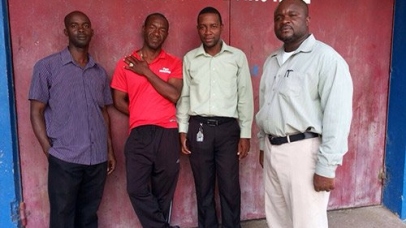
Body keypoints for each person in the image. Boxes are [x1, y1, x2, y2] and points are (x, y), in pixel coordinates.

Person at [256, 0, 353, 227]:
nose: (284, 20)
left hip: (303, 154)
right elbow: (265, 108)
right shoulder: (272, 61)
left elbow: (337, 118)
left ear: (307, 20)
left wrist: (326, 167)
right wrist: (263, 146)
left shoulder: (326, 59)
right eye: (278, 17)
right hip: (273, 150)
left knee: (307, 222)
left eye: (292, 15)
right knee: (277, 219)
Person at [29, 11, 116, 228]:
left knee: (88, 217)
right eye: (75, 26)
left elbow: (104, 113)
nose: (81, 30)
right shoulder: (47, 67)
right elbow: (36, 111)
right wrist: (49, 150)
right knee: (62, 218)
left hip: (96, 159)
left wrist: (109, 150)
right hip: (65, 158)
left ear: (92, 31)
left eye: (85, 25)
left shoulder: (99, 72)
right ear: (65, 31)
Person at [176, 6, 254, 228]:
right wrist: (183, 129)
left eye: (212, 26)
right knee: (203, 187)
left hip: (228, 130)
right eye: (203, 27)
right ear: (198, 29)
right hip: (199, 128)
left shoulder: (237, 57)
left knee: (230, 187)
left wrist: (245, 133)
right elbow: (185, 96)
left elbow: (245, 97)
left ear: (221, 27)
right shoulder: (190, 59)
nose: (208, 31)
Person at [110, 13, 182, 228]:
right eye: (153, 27)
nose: (156, 33)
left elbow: (174, 94)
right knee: (136, 188)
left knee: (164, 190)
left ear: (166, 34)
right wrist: (143, 113)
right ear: (144, 28)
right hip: (139, 133)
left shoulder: (174, 63)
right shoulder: (126, 63)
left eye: (162, 29)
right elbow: (118, 100)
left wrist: (146, 71)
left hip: (168, 132)